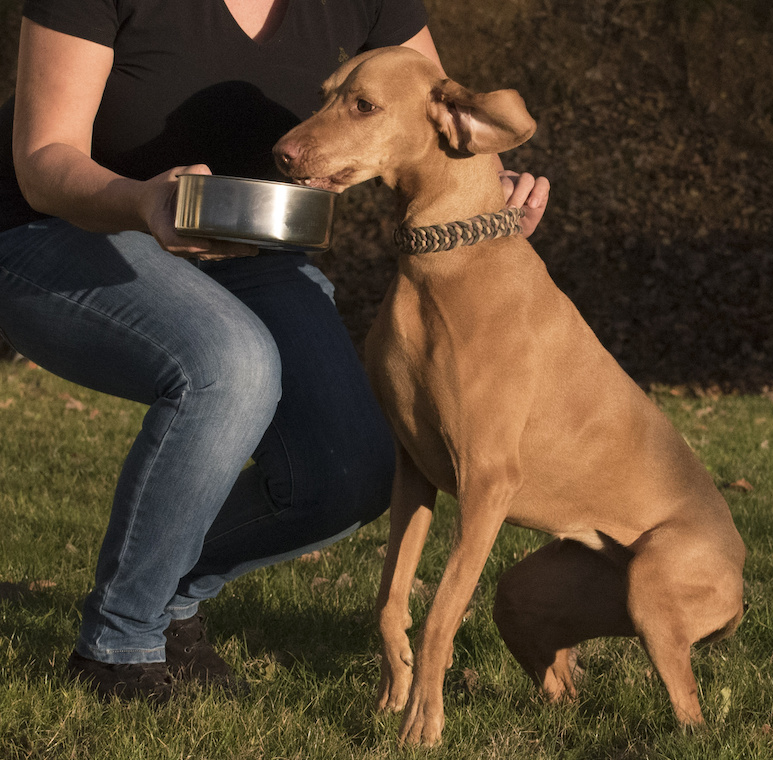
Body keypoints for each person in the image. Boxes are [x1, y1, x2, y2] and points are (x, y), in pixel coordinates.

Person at [0, 0, 550, 702]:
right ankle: (118, 647)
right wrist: (144, 201)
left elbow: (437, 120)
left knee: (352, 467)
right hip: (59, 230)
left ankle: (168, 603)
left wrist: (493, 195)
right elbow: (43, 163)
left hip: (249, 245)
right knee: (229, 363)